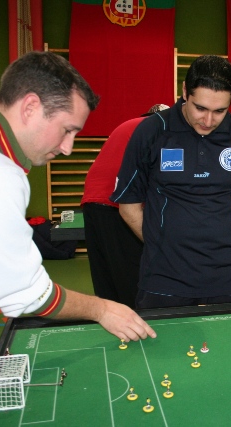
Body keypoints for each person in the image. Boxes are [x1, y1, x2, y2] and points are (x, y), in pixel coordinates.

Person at [0, 51, 156, 426]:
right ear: (30, 107)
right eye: (67, 130)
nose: (68, 147)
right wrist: (103, 309)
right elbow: (25, 294)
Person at [111, 55, 231, 309]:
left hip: (230, 277)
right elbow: (128, 205)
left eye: (219, 111)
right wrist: (164, 244)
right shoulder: (152, 132)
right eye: (200, 108)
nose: (208, 121)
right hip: (164, 278)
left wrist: (228, 234)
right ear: (185, 91)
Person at [81, 104, 169, 308]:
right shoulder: (157, 130)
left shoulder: (126, 126)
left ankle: (114, 324)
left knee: (107, 284)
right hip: (117, 205)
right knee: (134, 283)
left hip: (92, 204)